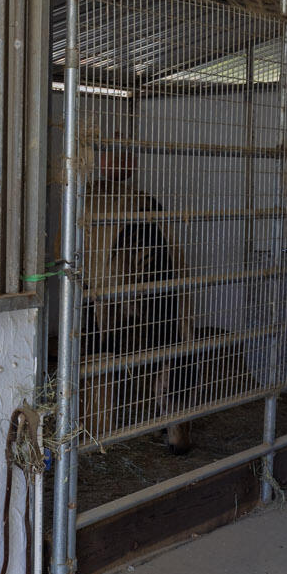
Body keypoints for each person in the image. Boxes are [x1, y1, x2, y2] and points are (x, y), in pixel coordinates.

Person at [79, 124, 197, 454]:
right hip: (133, 279)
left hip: (119, 281)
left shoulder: (98, 202)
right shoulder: (107, 200)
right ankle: (164, 426)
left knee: (108, 336)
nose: (124, 160)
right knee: (168, 332)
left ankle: (104, 428)